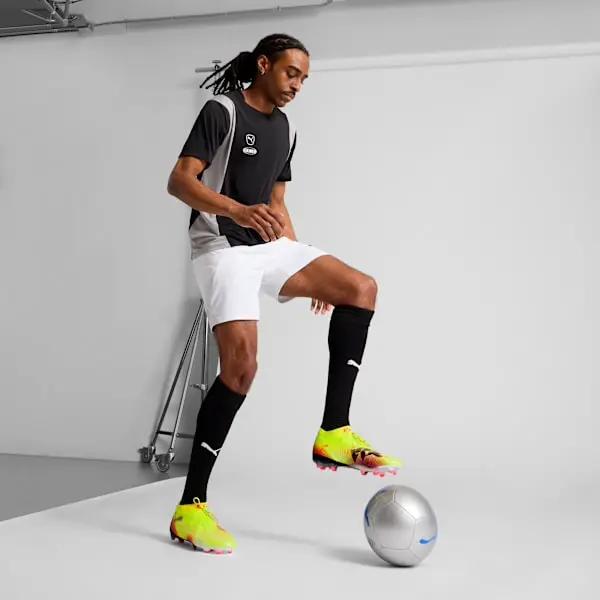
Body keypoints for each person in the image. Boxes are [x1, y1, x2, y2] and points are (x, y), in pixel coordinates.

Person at [166, 33, 402, 554]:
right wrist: (236, 210)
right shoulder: (222, 111)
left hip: (267, 246)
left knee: (359, 288)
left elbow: (276, 202)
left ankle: (334, 432)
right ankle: (190, 508)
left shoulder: (287, 128)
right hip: (220, 247)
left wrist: (303, 265)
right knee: (241, 370)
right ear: (263, 65)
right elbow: (179, 181)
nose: (298, 85)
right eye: (292, 73)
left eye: (304, 79)